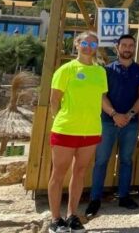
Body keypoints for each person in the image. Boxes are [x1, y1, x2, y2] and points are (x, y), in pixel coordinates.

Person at [47, 31, 108, 233]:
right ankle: (55, 219)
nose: (89, 47)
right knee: (58, 173)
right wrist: (60, 119)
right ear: (77, 44)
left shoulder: (100, 72)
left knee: (80, 172)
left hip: (91, 130)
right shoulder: (66, 70)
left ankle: (72, 215)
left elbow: (100, 98)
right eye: (85, 43)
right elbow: (54, 100)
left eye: (93, 44)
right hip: (66, 129)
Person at [87, 35, 139, 217]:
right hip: (108, 121)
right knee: (101, 160)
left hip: (130, 123)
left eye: (131, 45)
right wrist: (114, 114)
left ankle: (124, 196)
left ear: (134, 48)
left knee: (126, 160)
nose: (127, 48)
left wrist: (129, 115)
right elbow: (101, 96)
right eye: (124, 45)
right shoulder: (106, 70)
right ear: (117, 47)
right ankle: (95, 199)